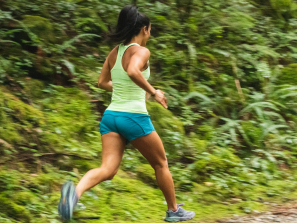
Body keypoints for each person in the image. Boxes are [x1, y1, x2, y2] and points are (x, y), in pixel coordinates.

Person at [57, 4, 195, 222]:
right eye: (150, 30)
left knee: (107, 169)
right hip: (133, 117)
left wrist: (127, 88)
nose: (150, 34)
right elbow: (132, 70)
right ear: (144, 29)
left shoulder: (115, 52)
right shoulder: (141, 51)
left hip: (111, 117)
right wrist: (154, 91)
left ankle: (73, 195)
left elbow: (101, 82)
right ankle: (174, 211)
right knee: (161, 164)